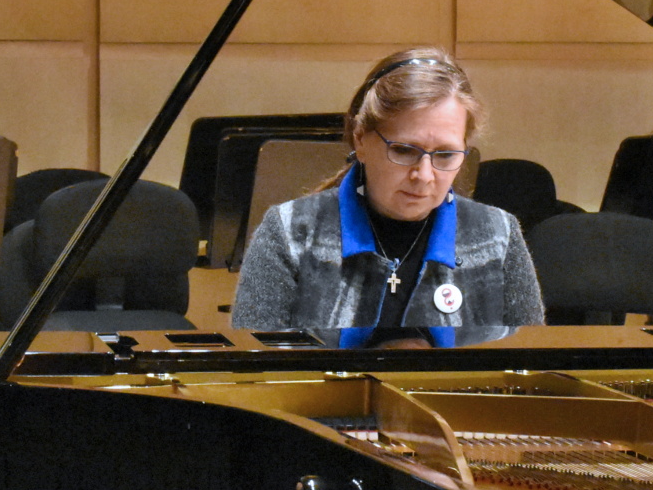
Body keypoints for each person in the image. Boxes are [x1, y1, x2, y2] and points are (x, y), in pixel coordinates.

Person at [231, 49, 545, 331]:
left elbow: (533, 370)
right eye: (405, 151)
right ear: (360, 139)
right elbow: (254, 375)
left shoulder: (500, 234)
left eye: (446, 155)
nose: (424, 176)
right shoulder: (288, 233)